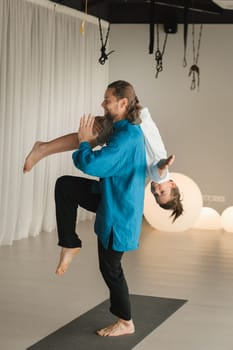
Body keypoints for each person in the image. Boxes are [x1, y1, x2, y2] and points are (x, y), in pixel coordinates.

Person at [55, 80, 146, 337]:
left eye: (107, 99)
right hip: (110, 197)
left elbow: (93, 165)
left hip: (119, 211)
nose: (102, 103)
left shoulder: (127, 137)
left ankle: (126, 322)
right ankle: (70, 242)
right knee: (65, 186)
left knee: (111, 269)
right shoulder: (122, 128)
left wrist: (85, 142)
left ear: (123, 103)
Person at [23, 108, 183, 220]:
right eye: (163, 192)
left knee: (93, 138)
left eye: (156, 195)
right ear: (172, 184)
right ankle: (43, 148)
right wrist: (164, 165)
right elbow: (159, 170)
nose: (157, 190)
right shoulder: (161, 174)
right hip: (135, 122)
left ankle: (43, 148)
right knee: (92, 138)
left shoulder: (150, 173)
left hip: (134, 125)